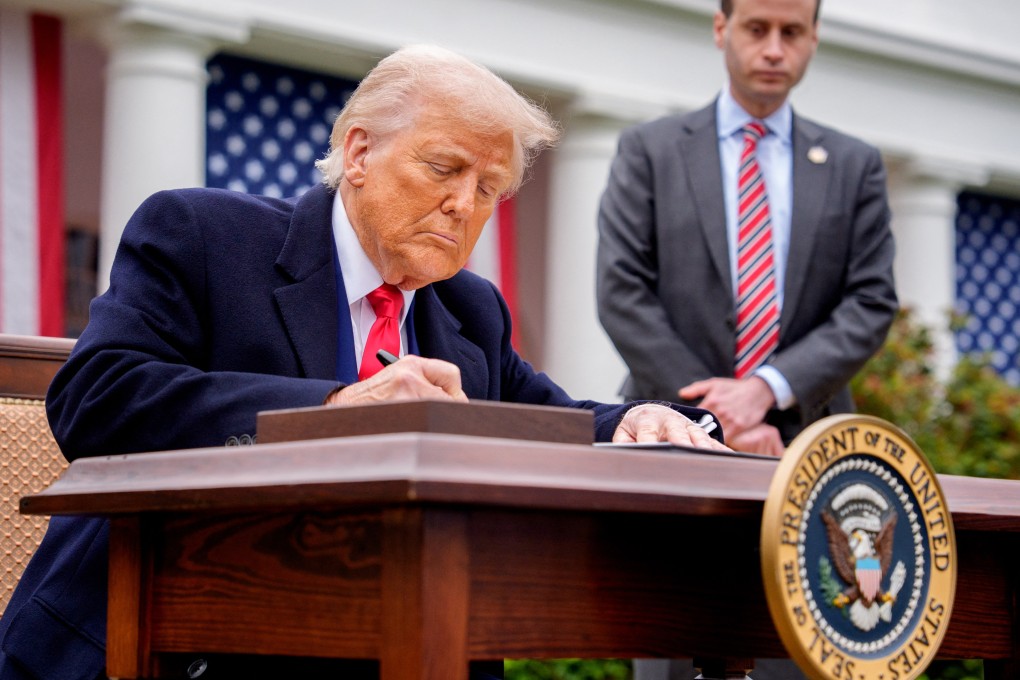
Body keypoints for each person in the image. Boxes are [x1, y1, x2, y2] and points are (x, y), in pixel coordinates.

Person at [0, 45, 727, 680]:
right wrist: (334, 411)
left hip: (391, 641)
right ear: (357, 153)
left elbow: (546, 417)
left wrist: (635, 417)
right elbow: (95, 397)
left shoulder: (468, 311)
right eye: (444, 168)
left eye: (489, 191)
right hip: (163, 639)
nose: (462, 206)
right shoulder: (202, 236)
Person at [596, 0, 897, 460]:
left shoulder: (855, 166)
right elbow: (622, 292)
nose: (774, 50)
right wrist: (713, 416)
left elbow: (870, 302)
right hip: (668, 429)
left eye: (791, 33)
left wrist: (765, 390)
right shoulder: (649, 151)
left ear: (813, 39)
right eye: (757, 29)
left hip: (807, 440)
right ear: (721, 28)